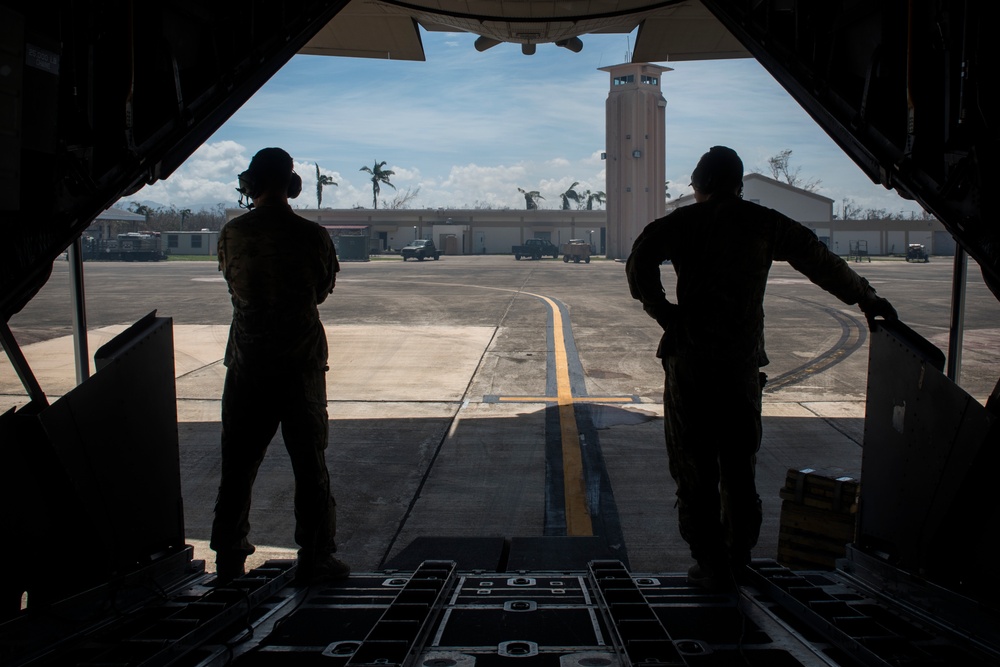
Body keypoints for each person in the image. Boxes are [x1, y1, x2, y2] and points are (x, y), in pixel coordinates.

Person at [625, 146, 897, 591]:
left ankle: (709, 561)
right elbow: (820, 261)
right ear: (737, 184)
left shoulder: (683, 223)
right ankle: (738, 555)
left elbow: (639, 262)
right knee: (738, 464)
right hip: (739, 366)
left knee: (693, 468)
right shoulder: (764, 223)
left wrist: (666, 314)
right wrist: (866, 297)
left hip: (691, 362)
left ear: (704, 185)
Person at [210, 147, 348, 585]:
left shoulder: (232, 234)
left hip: (248, 362)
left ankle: (229, 558)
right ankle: (314, 556)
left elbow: (233, 283)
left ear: (251, 184)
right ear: (292, 187)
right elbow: (322, 289)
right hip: (300, 363)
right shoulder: (313, 235)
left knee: (238, 464)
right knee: (309, 463)